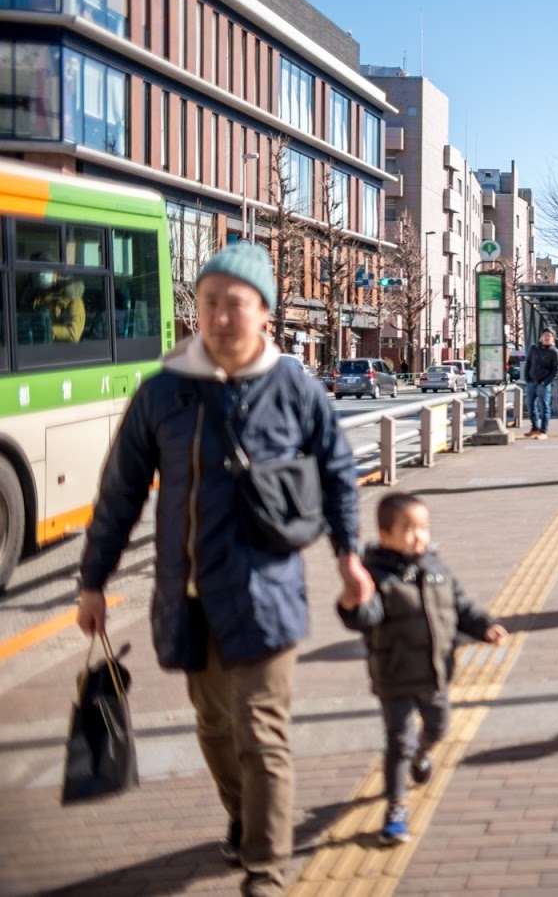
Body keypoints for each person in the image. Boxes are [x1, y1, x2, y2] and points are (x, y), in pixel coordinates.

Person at [76, 241, 372, 897]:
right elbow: (121, 491)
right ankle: (242, 815)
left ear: (265, 312)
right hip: (187, 597)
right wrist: (93, 581)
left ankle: (266, 872)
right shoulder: (163, 393)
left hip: (265, 593)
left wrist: (348, 554)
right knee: (214, 727)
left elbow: (338, 472)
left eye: (233, 304)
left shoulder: (293, 386)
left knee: (262, 732)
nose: (218, 316)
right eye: (208, 303)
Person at [336, 493, 507, 846]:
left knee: (439, 727)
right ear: (385, 534)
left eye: (423, 528)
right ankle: (396, 808)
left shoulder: (437, 570)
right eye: (409, 529)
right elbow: (367, 617)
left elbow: (462, 608)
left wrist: (485, 626)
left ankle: (422, 753)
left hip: (435, 673)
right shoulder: (376, 576)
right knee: (398, 741)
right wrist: (350, 605)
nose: (419, 536)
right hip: (394, 675)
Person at [523, 329, 558, 439]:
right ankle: (534, 428)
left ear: (553, 338)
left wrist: (546, 381)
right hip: (531, 382)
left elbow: (557, 369)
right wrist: (527, 378)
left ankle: (543, 431)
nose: (547, 337)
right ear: (541, 337)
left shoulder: (554, 352)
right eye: (545, 335)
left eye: (549, 335)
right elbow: (528, 363)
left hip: (543, 383)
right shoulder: (534, 349)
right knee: (531, 406)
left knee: (544, 407)